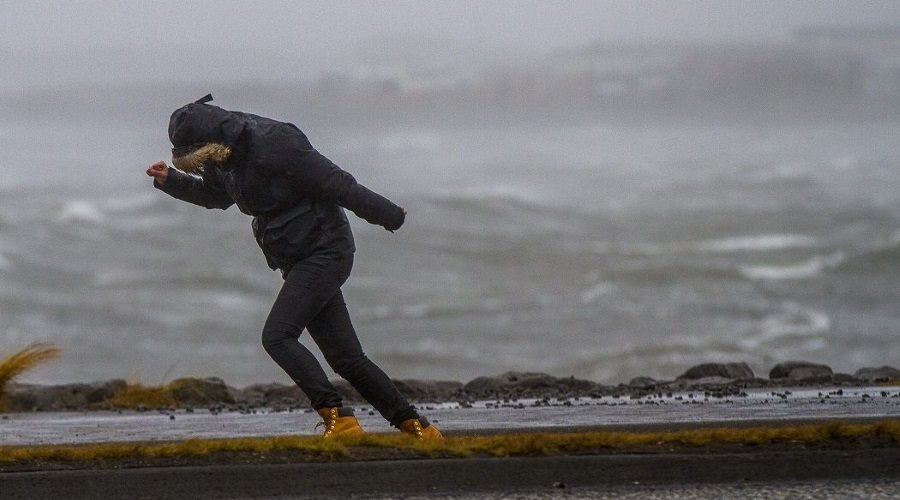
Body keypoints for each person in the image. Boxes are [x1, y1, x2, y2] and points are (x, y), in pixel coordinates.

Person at [145, 95, 442, 440]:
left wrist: (389, 215)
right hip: (294, 255)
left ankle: (340, 419)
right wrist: (172, 181)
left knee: (278, 336)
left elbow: (339, 185)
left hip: (326, 248)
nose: (202, 164)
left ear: (213, 139)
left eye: (199, 159)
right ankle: (417, 428)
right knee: (346, 358)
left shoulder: (277, 142)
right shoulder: (221, 156)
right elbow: (218, 197)